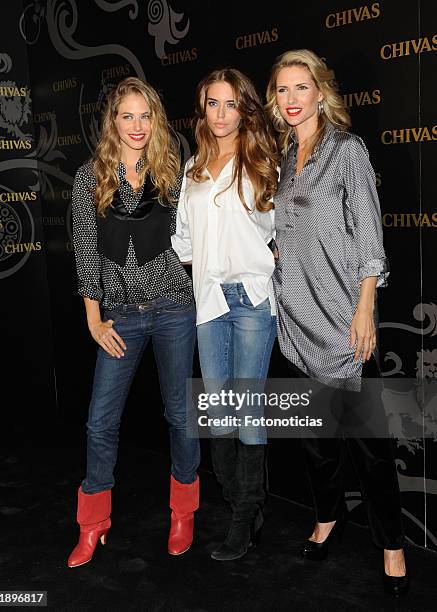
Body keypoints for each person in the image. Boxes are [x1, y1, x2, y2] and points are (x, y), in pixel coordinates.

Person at [266, 49, 408, 597]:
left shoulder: (347, 151)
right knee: (315, 440)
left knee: (369, 445)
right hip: (295, 316)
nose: (293, 98)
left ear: (320, 92)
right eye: (283, 90)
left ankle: (392, 545)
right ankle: (327, 519)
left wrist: (366, 307)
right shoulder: (281, 155)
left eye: (302, 87)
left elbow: (369, 235)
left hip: (345, 320)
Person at [68, 77, 200, 568]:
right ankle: (92, 523)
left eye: (146, 115)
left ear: (156, 120)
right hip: (118, 317)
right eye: (128, 115)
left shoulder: (174, 174)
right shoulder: (90, 177)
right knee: (100, 420)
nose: (138, 125)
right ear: (114, 122)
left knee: (181, 416)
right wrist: (93, 319)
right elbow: (85, 252)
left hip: (173, 309)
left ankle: (184, 513)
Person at [172, 68, 278, 561]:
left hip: (253, 298)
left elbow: (284, 226)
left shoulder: (263, 161)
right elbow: (183, 243)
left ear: (245, 109)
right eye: (212, 103)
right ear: (203, 109)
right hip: (210, 301)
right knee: (218, 410)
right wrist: (210, 257)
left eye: (230, 103)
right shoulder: (192, 168)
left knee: (249, 408)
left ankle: (243, 518)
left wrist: (255, 255)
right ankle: (245, 505)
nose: (220, 113)